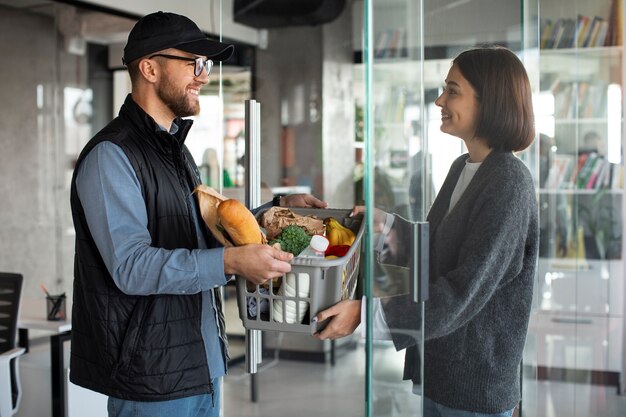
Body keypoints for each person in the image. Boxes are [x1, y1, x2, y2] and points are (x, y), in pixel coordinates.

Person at [69, 11, 326, 417]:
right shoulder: (111, 156)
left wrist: (274, 213)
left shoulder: (175, 150)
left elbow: (200, 234)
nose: (203, 76)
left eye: (204, 65)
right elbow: (132, 267)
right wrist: (229, 262)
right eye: (193, 62)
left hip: (200, 362)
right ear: (149, 68)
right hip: (150, 378)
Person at [314, 46, 539, 417]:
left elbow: (463, 290)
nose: (439, 100)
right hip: (442, 372)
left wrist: (366, 315)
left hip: (475, 388)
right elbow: (435, 247)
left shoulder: (509, 182)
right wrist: (388, 225)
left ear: (490, 102)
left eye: (453, 90)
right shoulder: (462, 166)